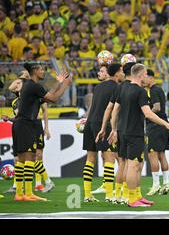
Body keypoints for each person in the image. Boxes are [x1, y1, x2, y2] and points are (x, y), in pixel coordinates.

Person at [109, 64, 169, 207]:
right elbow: (148, 113)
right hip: (135, 133)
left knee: (138, 164)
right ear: (140, 75)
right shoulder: (140, 92)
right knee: (133, 165)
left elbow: (115, 111)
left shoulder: (123, 88)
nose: (147, 77)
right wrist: (166, 124)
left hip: (123, 132)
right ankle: (132, 199)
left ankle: (137, 195)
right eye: (146, 74)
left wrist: (114, 129)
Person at [13, 63, 72, 201]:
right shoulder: (33, 86)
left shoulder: (30, 86)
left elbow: (51, 96)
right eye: (41, 69)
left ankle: (19, 194)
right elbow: (53, 97)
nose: (43, 71)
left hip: (20, 124)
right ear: (35, 72)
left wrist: (60, 83)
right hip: (26, 124)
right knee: (30, 158)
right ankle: (28, 193)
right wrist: (65, 84)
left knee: (21, 160)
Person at [82, 63, 124, 203]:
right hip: (102, 124)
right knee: (109, 157)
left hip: (90, 123)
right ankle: (109, 195)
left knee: (90, 159)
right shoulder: (118, 88)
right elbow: (114, 109)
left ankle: (87, 195)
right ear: (117, 73)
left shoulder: (98, 87)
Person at [97, 62, 135, 204]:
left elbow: (110, 109)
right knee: (130, 163)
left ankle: (117, 196)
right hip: (131, 129)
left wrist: (111, 129)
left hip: (119, 129)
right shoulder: (133, 88)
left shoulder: (119, 88)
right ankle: (127, 195)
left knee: (122, 162)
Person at [144, 70, 169, 196]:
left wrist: (146, 114)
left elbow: (157, 107)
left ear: (151, 78)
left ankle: (156, 185)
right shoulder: (159, 89)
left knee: (152, 155)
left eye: (145, 77)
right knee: (162, 155)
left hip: (155, 126)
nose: (143, 80)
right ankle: (166, 184)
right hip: (163, 124)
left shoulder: (154, 90)